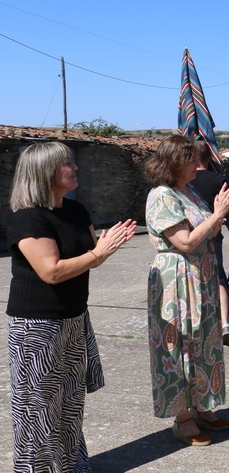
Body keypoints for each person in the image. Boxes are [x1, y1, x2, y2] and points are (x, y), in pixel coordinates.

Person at [7, 142, 136, 471]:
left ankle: (71, 466)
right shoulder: (29, 219)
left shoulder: (76, 211)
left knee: (70, 404)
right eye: (67, 163)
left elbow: (89, 256)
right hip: (37, 327)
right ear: (45, 172)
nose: (75, 167)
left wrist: (106, 246)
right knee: (39, 409)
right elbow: (51, 271)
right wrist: (99, 253)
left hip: (74, 318)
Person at [145, 135, 229, 446]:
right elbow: (185, 241)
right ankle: (182, 417)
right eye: (190, 161)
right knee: (180, 346)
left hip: (200, 276)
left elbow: (209, 232)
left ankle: (202, 406)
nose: (196, 167)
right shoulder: (163, 196)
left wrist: (219, 210)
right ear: (174, 163)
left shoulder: (188, 192)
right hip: (178, 280)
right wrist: (217, 214)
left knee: (203, 341)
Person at [191, 141, 229, 344]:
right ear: (210, 158)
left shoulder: (186, 182)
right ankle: (225, 322)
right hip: (213, 235)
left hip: (191, 235)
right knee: (218, 277)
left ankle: (201, 323)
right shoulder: (219, 180)